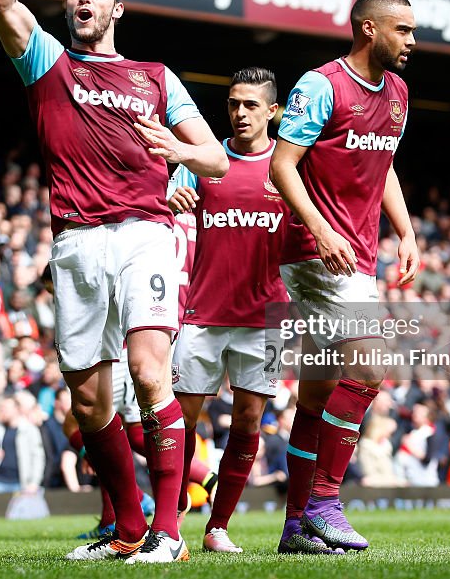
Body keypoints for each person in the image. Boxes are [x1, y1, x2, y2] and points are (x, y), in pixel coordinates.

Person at [0, 0, 228, 564]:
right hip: (75, 241)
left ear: (117, 8)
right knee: (90, 402)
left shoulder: (155, 76)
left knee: (151, 373)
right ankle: (126, 528)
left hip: (144, 231)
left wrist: (178, 153)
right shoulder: (49, 65)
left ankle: (170, 533)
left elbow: (211, 156)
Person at [269, 0, 418, 553]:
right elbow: (284, 165)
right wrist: (323, 229)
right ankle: (327, 504)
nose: (411, 42)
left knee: (317, 396)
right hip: (317, 249)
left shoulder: (399, 93)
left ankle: (295, 528)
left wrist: (405, 230)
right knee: (374, 362)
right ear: (368, 29)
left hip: (355, 251)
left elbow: (384, 167)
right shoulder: (321, 85)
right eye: (402, 30)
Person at [167, 67, 290, 554]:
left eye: (251, 105)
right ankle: (171, 515)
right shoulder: (203, 159)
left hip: (268, 316)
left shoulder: (288, 167)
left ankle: (217, 527)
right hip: (204, 312)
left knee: (248, 423)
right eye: (234, 104)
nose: (240, 113)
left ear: (272, 111)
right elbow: (159, 207)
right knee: (178, 421)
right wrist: (167, 197)